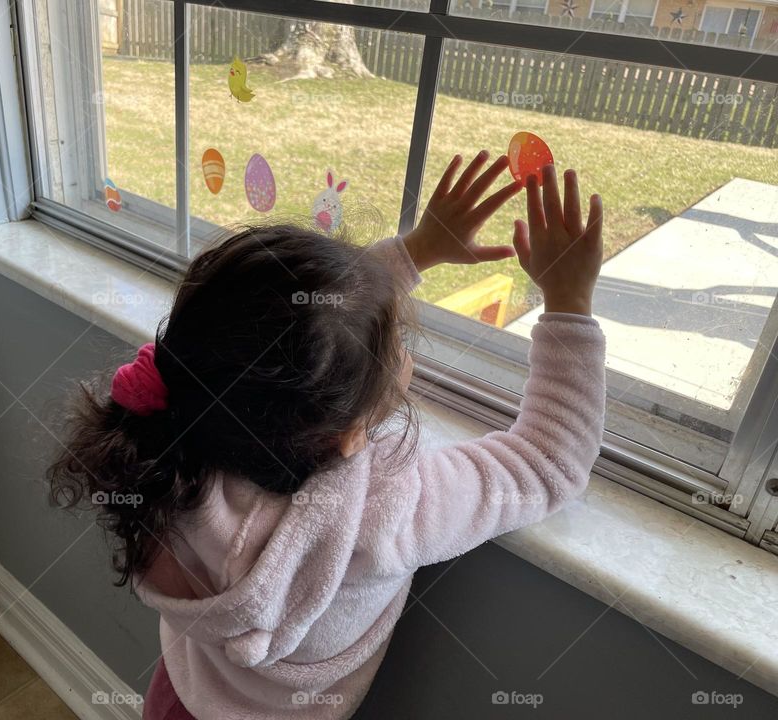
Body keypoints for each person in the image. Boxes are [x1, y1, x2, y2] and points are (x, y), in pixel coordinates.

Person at [49, 153, 606, 719]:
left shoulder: (179, 443)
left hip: (182, 701)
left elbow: (290, 340)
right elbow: (549, 461)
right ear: (347, 437)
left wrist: (416, 250)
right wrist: (569, 306)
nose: (403, 349)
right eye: (397, 347)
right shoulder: (384, 508)